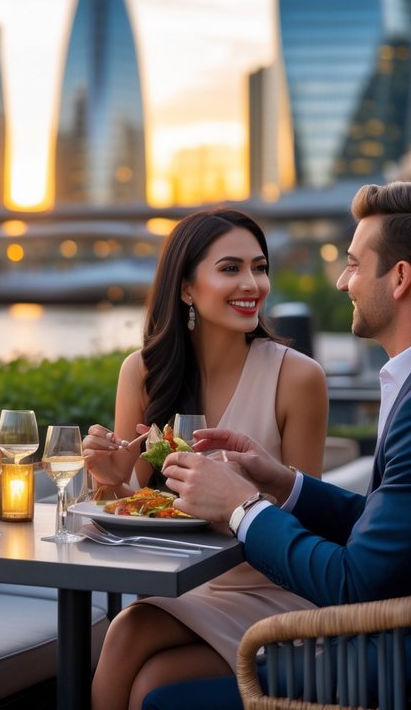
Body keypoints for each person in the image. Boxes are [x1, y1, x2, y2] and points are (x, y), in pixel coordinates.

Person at [145, 182, 411, 709]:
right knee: (150, 669)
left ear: (400, 278)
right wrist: (284, 482)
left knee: (160, 699)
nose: (343, 281)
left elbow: (354, 584)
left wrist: (241, 507)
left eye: (352, 264)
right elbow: (394, 523)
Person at [83, 207, 328, 710]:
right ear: (187, 289)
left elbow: (310, 516)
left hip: (276, 593)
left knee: (145, 669)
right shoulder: (144, 373)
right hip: (189, 587)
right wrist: (109, 485)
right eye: (231, 268)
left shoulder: (298, 378)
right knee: (131, 641)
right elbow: (134, 512)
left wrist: (235, 499)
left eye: (259, 267)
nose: (253, 283)